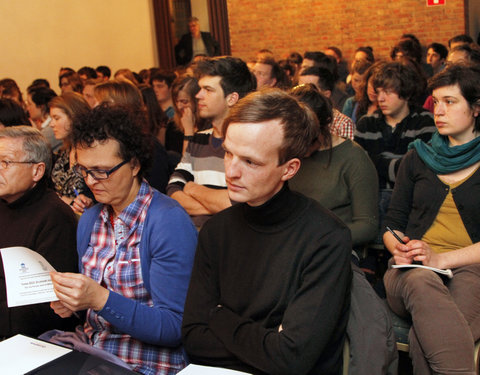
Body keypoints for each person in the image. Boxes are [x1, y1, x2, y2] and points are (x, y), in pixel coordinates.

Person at [182, 89, 351, 374]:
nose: (232, 172)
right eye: (228, 153)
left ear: (289, 169)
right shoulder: (217, 231)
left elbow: (291, 359)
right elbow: (194, 339)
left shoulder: (326, 238)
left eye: (250, 162)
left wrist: (220, 317)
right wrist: (269, 341)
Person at [49, 105, 198, 374]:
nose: (91, 181)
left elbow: (175, 327)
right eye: (84, 170)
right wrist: (74, 304)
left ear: (134, 165)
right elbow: (97, 317)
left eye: (102, 171)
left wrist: (99, 299)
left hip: (148, 362)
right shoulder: (92, 218)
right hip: (96, 352)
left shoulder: (166, 221)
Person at [383, 65, 480, 374]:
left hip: (470, 269)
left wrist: (441, 258)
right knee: (421, 280)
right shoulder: (417, 156)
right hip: (411, 271)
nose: (439, 111)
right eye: (435, 102)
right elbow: (392, 223)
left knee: (428, 334)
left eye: (450, 102)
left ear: (477, 107)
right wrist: (398, 248)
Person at [0, 126, 78, 338]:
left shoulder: (55, 217)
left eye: (5, 163)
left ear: (37, 170)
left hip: (29, 337)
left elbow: (46, 305)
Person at [166, 56, 255, 227]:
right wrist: (214, 204)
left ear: (231, 98)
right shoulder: (200, 138)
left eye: (208, 89)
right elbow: (173, 187)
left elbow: (237, 204)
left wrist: (193, 189)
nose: (198, 95)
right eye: (200, 89)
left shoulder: (248, 145)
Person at [290, 84, 378, 249]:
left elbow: (367, 226)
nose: (301, 148)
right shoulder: (288, 154)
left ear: (326, 125)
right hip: (292, 245)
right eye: (295, 139)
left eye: (310, 140)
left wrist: (319, 239)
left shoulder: (353, 157)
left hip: (333, 248)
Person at [354, 61, 436, 230]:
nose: (381, 98)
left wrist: (377, 163)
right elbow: (360, 170)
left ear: (405, 93)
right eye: (378, 92)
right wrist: (401, 165)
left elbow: (419, 169)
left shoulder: (425, 122)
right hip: (372, 202)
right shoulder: (366, 124)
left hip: (411, 203)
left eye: (388, 92)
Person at [49, 92, 93, 212]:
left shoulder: (92, 152)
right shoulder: (64, 152)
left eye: (56, 118)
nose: (51, 124)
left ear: (74, 117)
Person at [299, 67, 355, 139]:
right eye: (298, 87)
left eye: (309, 90)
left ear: (326, 94)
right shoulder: (294, 118)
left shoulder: (342, 124)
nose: (301, 94)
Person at [26, 86, 62, 152]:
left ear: (41, 106)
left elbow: (32, 151)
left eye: (30, 104)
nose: (27, 108)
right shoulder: (43, 126)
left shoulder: (51, 129)